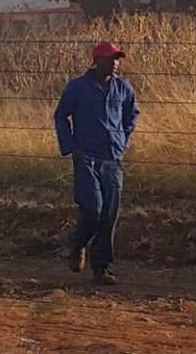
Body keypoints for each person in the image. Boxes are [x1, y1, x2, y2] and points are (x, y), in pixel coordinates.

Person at [55, 42, 140, 286]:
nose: (115, 63)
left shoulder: (123, 88)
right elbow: (61, 116)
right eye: (111, 59)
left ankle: (101, 268)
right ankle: (79, 244)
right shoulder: (78, 88)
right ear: (97, 61)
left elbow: (132, 115)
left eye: (117, 59)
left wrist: (123, 139)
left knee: (109, 214)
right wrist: (70, 147)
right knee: (93, 208)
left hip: (112, 158)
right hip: (87, 157)